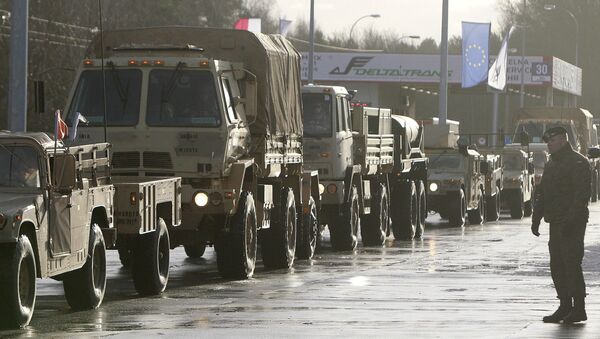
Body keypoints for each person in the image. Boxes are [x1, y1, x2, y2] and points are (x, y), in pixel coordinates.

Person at [531, 126, 591, 324]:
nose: (549, 144)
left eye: (552, 140)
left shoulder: (578, 162)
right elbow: (543, 193)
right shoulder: (551, 164)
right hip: (555, 222)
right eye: (548, 141)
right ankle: (565, 305)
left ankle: (579, 308)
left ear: (563, 141)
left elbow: (581, 196)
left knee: (571, 263)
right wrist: (536, 217)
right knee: (557, 264)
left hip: (572, 223)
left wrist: (571, 221)